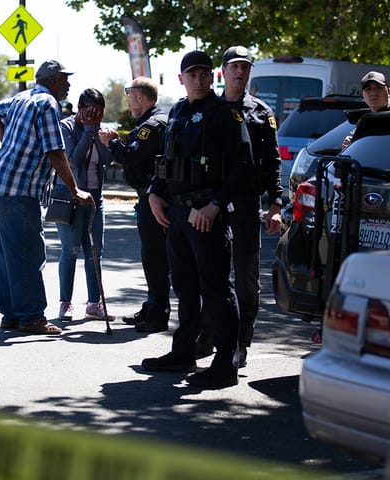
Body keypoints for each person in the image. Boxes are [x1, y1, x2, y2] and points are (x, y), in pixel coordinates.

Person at [141, 51, 253, 389]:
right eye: (192, 74)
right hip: (176, 214)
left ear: (212, 77)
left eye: (204, 74)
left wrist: (216, 205)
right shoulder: (176, 111)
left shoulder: (225, 115)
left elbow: (243, 167)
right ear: (181, 79)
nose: (199, 80)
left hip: (207, 215)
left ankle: (225, 363)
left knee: (216, 288)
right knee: (185, 288)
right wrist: (154, 192)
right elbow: (166, 159)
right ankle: (183, 353)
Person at [0, 59, 93, 335]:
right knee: (28, 252)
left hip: (2, 183)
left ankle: (12, 313)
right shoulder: (47, 104)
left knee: (9, 251)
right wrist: (75, 189)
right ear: (53, 80)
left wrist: (11, 142)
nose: (68, 84)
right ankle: (31, 316)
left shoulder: (24, 97)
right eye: (65, 79)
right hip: (18, 188)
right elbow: (56, 151)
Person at [196, 46, 283, 366]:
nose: (240, 72)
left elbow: (272, 162)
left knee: (246, 278)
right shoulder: (208, 109)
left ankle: (240, 342)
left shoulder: (261, 112)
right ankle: (208, 336)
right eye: (234, 66)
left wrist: (275, 204)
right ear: (223, 71)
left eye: (245, 67)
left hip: (246, 204)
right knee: (211, 274)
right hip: (209, 204)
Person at [99, 76, 170, 333]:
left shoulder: (152, 124)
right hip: (149, 197)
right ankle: (153, 305)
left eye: (129, 95)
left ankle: (158, 312)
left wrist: (111, 142)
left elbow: (130, 156)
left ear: (140, 97)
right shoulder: (151, 121)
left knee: (156, 256)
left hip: (157, 199)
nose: (127, 101)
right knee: (151, 256)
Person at [55, 88, 114, 321]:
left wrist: (104, 138)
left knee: (95, 252)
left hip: (95, 196)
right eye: (90, 111)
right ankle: (65, 303)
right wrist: (89, 132)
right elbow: (72, 161)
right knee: (70, 251)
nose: (95, 116)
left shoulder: (100, 128)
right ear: (79, 108)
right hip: (70, 196)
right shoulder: (66, 127)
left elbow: (109, 160)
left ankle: (93, 302)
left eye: (99, 112)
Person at [342, 71, 390, 148]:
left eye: (378, 87)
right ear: (362, 94)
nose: (373, 93)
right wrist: (350, 146)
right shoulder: (365, 121)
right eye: (368, 89)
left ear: (388, 91)